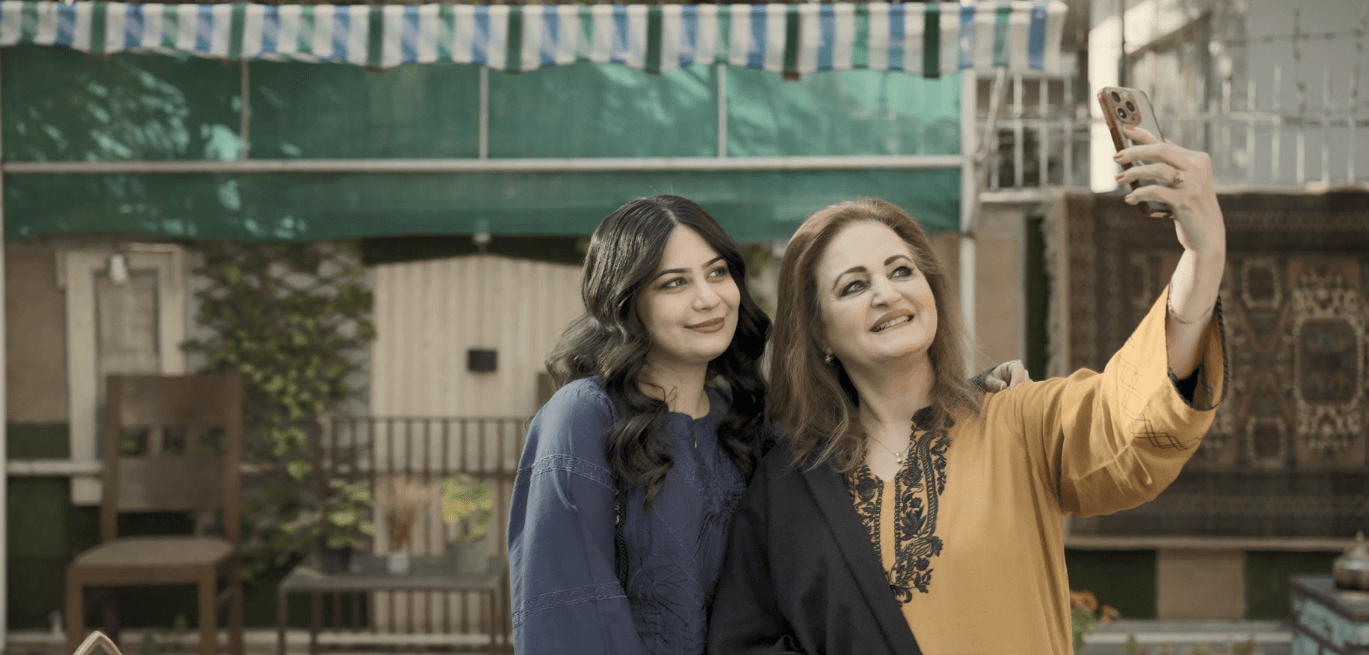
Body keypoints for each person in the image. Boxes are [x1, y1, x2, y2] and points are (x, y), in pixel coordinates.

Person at [707, 127, 1228, 654]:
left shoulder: (1019, 423)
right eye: (855, 286)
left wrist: (1202, 256)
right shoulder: (789, 486)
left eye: (901, 271)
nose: (887, 293)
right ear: (818, 331)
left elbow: (1130, 416)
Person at [507, 195, 1029, 655]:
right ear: (626, 302)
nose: (709, 298)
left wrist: (964, 393)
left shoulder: (750, 422)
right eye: (674, 283)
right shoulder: (585, 417)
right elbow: (566, 607)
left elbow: (866, 420)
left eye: (718, 273)